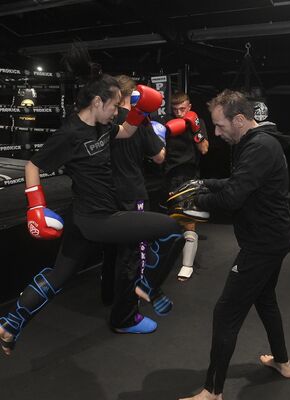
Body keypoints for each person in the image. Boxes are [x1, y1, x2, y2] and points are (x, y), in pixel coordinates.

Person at [0, 49, 184, 355]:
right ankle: (147, 285)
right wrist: (36, 206)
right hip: (98, 220)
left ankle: (10, 324)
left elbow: (124, 133)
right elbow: (34, 166)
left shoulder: (100, 126)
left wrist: (141, 113)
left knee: (58, 276)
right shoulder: (69, 133)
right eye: (113, 106)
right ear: (97, 102)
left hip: (82, 215)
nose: (116, 112)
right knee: (170, 229)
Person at [172, 90, 290, 400]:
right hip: (274, 238)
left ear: (239, 120)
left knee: (226, 313)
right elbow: (237, 182)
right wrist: (204, 183)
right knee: (265, 300)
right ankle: (283, 362)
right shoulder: (255, 144)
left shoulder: (259, 148)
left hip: (262, 244)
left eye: (220, 126)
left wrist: (195, 199)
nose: (216, 133)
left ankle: (212, 392)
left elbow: (232, 197)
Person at [100, 74, 166, 320]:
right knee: (133, 254)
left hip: (107, 193)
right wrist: (161, 135)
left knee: (111, 249)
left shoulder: (104, 121)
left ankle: (108, 296)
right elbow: (159, 157)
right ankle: (126, 312)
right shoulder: (140, 121)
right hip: (133, 193)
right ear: (132, 95)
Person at [163, 92, 209, 281]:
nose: (179, 113)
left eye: (182, 108)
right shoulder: (167, 122)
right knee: (171, 220)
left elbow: (204, 149)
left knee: (189, 218)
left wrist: (195, 129)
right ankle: (171, 256)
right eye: (175, 110)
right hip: (168, 176)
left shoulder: (196, 121)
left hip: (189, 176)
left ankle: (187, 265)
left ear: (189, 106)